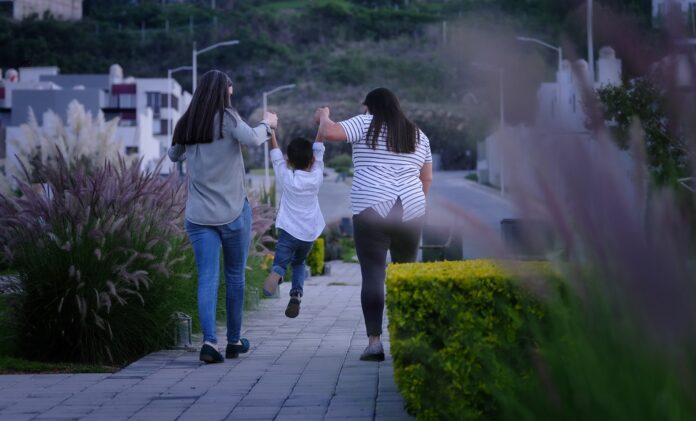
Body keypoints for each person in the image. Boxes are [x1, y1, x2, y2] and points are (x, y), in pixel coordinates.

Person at [315, 87, 433, 361]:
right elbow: (426, 178)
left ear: (370, 106)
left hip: (372, 208)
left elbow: (329, 132)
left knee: (373, 275)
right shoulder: (418, 134)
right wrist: (416, 206)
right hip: (411, 209)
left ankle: (375, 343)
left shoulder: (365, 122)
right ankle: (407, 342)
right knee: (405, 275)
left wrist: (323, 115)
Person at [168, 70, 278, 364]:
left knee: (207, 278)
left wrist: (194, 149)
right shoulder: (228, 118)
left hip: (198, 216)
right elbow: (253, 139)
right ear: (224, 90)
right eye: (230, 87)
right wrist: (268, 124)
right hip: (232, 212)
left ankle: (209, 343)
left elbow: (173, 155)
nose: (232, 91)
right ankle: (233, 341)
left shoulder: (188, 121)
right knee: (235, 276)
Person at [262, 129, 325, 318]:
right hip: (308, 234)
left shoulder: (287, 178)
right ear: (312, 160)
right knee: (299, 263)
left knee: (281, 262)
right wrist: (321, 126)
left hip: (289, 231)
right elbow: (319, 149)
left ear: (289, 161)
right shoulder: (317, 176)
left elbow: (276, 157)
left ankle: (277, 273)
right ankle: (296, 294)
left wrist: (273, 133)